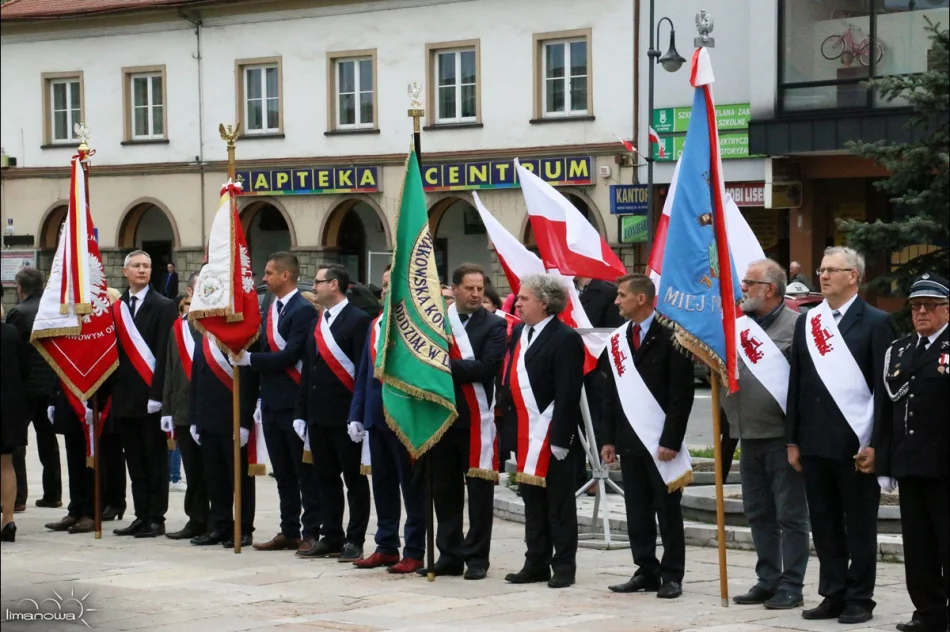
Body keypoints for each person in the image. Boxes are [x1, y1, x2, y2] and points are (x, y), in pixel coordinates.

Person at [786, 246, 895, 624]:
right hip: (815, 442)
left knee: (859, 523)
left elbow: (885, 391)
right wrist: (793, 439)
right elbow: (796, 384)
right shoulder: (807, 321)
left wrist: (878, 444)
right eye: (821, 269)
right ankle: (832, 592)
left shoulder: (877, 322)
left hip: (856, 443)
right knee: (825, 522)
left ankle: (860, 597)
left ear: (854, 276)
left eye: (833, 270)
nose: (824, 276)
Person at [600, 274, 694, 599]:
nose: (616, 301)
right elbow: (611, 394)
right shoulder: (619, 340)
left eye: (622, 295)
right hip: (629, 440)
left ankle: (672, 575)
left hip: (659, 444)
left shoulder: (672, 339)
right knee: (636, 510)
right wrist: (608, 439)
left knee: (667, 511)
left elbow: (681, 396)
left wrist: (671, 439)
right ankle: (646, 569)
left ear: (641, 299)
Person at [724, 260, 809, 609]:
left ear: (770, 289)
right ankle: (767, 579)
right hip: (747, 434)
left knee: (790, 514)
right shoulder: (739, 326)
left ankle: (792, 584)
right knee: (758, 513)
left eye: (749, 282)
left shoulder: (797, 326)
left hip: (781, 437)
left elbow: (806, 387)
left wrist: (797, 439)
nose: (742, 288)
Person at [874, 274, 949, 632]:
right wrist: (886, 461)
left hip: (944, 467)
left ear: (946, 309)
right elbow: (888, 412)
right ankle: (928, 613)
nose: (921, 312)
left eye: (930, 306)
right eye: (916, 306)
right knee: (918, 548)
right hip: (910, 464)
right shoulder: (900, 350)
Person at [500, 274, 584, 589]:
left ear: (544, 303)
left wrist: (561, 438)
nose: (517, 303)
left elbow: (568, 392)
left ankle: (563, 565)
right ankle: (535, 561)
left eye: (524, 298)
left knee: (559, 504)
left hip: (553, 436)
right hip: (526, 433)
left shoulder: (564, 338)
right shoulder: (521, 333)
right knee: (532, 502)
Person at [234, 252, 322, 555]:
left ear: (286, 276)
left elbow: (292, 355)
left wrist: (250, 360)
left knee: (304, 473)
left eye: (270, 273)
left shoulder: (304, 310)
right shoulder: (270, 307)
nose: (264, 278)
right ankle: (289, 530)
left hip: (294, 403)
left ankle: (312, 531)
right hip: (271, 403)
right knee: (282, 473)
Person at [424, 264, 507, 580]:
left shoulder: (494, 326)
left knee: (479, 494)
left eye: (480, 289)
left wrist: (439, 365)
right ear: (454, 289)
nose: (476, 294)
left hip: (476, 420)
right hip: (442, 418)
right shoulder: (437, 320)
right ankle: (449, 553)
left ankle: (477, 557)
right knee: (444, 492)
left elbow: (486, 368)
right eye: (469, 288)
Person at [350, 265, 425, 574]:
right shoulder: (376, 324)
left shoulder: (415, 327)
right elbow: (364, 374)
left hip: (405, 419)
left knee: (412, 488)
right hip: (376, 417)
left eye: (390, 285)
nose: (384, 291)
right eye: (382, 285)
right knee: (382, 485)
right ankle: (386, 546)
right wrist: (356, 414)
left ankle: (415, 549)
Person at [293, 264, 371, 561]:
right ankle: (332, 535)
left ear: (334, 284)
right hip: (317, 415)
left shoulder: (358, 320)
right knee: (325, 478)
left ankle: (355, 539)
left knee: (353, 480)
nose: (314, 286)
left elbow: (362, 371)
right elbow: (308, 370)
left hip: (345, 416)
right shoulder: (320, 320)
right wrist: (301, 411)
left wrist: (358, 414)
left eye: (318, 281)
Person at [111, 250, 179, 539]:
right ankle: (140, 514)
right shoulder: (117, 307)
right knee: (134, 460)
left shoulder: (163, 306)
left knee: (154, 459)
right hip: (124, 395)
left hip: (151, 396)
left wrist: (157, 394)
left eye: (147, 266)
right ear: (125, 272)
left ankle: (156, 517)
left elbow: (165, 353)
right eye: (136, 266)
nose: (142, 270)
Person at [188, 334, 259, 548]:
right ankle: (220, 525)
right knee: (214, 477)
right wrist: (195, 418)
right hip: (208, 418)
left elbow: (249, 381)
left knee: (240, 478)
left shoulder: (243, 332)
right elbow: (196, 378)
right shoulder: (204, 337)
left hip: (234, 417)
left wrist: (245, 422)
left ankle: (244, 528)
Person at [6, 267, 62, 510]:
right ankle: (53, 494)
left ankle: (17, 497)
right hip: (51, 384)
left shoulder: (18, 313)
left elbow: (10, 348)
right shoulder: (53, 310)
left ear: (19, 288)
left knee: (16, 442)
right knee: (48, 441)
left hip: (25, 386)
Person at [161, 291, 210, 541]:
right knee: (191, 469)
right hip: (181, 408)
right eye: (185, 304)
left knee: (211, 470)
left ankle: (218, 520)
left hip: (208, 410)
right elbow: (170, 368)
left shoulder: (211, 327)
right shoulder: (177, 329)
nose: (189, 308)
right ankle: (196, 519)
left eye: (193, 302)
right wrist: (167, 408)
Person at [1, 306, 31, 542]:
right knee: (6, 464)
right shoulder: (11, 333)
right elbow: (25, 369)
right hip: (9, 407)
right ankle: (8, 520)